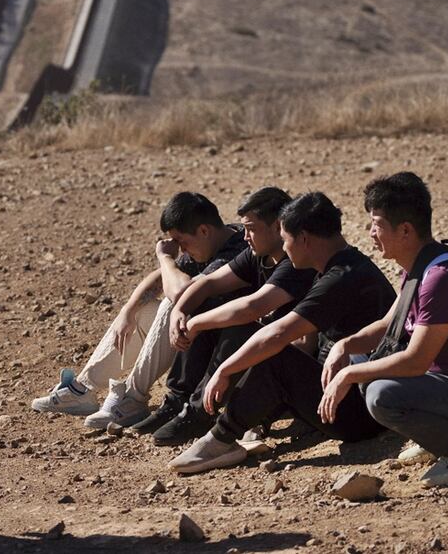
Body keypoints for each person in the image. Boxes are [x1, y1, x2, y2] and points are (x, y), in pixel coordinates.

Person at [318, 171, 448, 486]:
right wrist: (343, 347)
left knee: (380, 394)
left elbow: (415, 361)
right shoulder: (419, 266)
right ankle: (439, 437)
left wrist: (349, 375)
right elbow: (388, 325)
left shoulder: (440, 277)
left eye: (377, 225)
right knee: (359, 362)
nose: (370, 232)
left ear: (405, 230)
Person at [168, 192, 396, 474]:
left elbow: (279, 334)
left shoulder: (342, 277)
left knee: (274, 357)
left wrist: (225, 371)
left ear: (304, 239)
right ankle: (242, 423)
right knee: (275, 353)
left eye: (286, 239)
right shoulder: (341, 266)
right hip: (343, 394)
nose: (284, 249)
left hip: (361, 415)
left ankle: (221, 439)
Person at [31, 192, 248, 429]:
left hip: (223, 348)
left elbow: (184, 294)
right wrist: (128, 311)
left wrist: (166, 259)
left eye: (182, 242)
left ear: (204, 231)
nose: (182, 251)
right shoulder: (207, 243)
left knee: (171, 303)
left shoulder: (236, 249)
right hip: (193, 340)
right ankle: (83, 389)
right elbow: (157, 280)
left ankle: (133, 398)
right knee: (143, 310)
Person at [131, 186, 317, 446]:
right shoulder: (256, 255)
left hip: (294, 364)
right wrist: (181, 311)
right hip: (269, 353)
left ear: (277, 227)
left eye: (251, 229)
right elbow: (207, 284)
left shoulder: (294, 263)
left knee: (238, 325)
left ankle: (200, 411)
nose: (246, 237)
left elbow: (253, 307)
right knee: (207, 305)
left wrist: (195, 322)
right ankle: (178, 400)